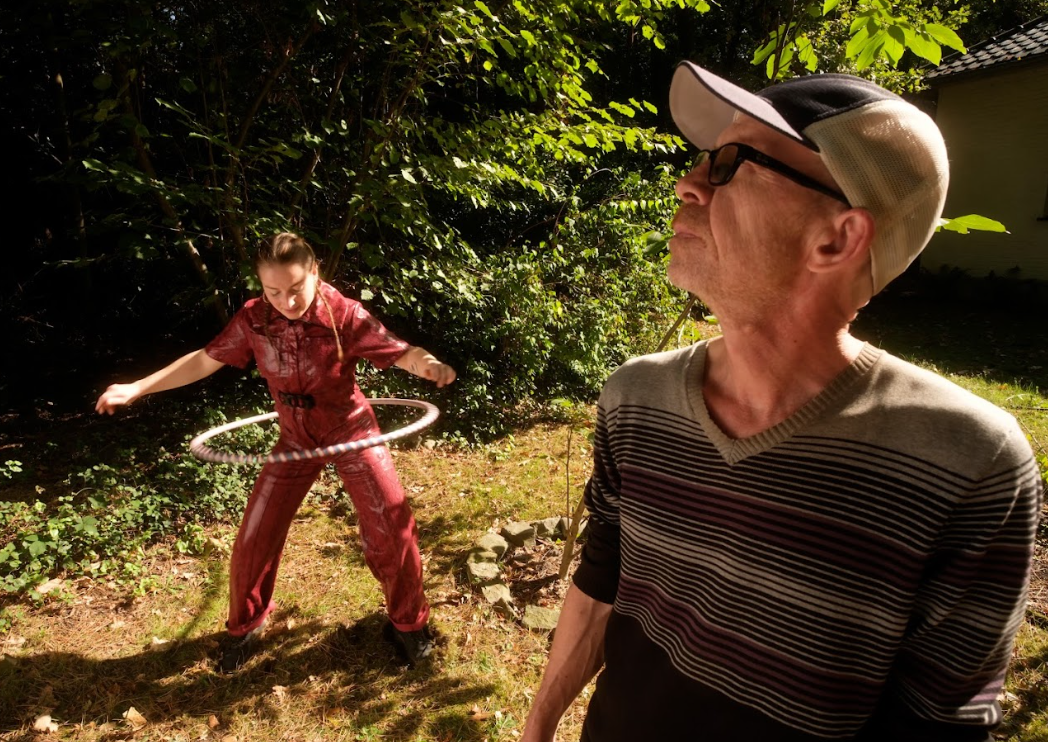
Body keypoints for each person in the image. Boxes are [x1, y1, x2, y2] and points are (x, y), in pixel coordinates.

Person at [522, 61, 1043, 741]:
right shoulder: (636, 398)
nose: (688, 183)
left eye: (731, 164)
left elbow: (940, 722)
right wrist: (538, 725)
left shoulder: (969, 462)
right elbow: (603, 580)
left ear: (838, 237)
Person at [95, 231, 456, 672]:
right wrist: (137, 387)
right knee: (254, 538)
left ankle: (409, 625)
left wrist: (427, 364)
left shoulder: (344, 314)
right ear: (261, 287)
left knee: (390, 528)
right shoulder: (254, 319)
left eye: (296, 288)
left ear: (315, 272)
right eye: (274, 291)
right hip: (295, 439)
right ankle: (245, 628)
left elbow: (401, 352)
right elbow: (205, 359)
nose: (287, 301)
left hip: (350, 429)